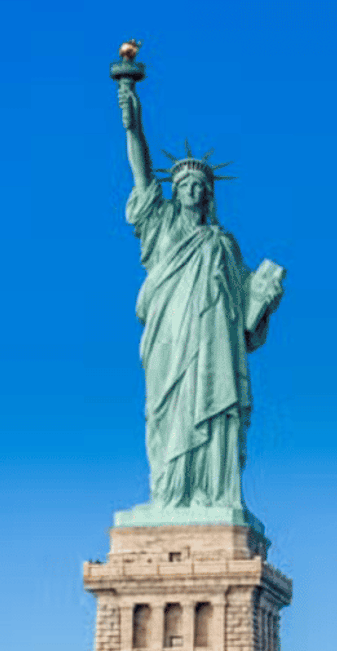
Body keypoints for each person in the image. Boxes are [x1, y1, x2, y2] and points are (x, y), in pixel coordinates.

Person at [116, 66, 284, 521]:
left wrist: (264, 296)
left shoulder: (223, 243)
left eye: (198, 186)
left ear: (209, 196)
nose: (190, 190)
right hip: (170, 337)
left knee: (214, 412)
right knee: (168, 414)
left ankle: (215, 494)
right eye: (183, 185)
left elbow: (246, 313)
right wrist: (133, 120)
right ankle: (170, 496)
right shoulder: (161, 225)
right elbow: (140, 169)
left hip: (213, 346)